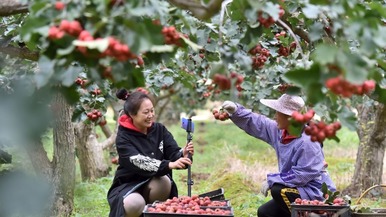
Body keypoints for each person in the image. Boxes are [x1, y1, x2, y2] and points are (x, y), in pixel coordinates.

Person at [221, 93, 336, 217]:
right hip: (299, 189)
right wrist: (237, 111)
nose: (275, 117)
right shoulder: (281, 132)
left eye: (278, 113)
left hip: (315, 193)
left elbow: (302, 174)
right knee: (265, 212)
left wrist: (272, 180)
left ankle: (314, 215)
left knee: (278, 190)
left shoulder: (308, 142)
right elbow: (260, 123)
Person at [107, 89, 194, 217]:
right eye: (146, 112)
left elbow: (173, 152)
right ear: (132, 114)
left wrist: (183, 154)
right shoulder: (123, 136)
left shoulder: (159, 129)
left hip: (153, 182)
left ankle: (153, 214)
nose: (151, 115)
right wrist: (169, 165)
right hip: (128, 185)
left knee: (164, 181)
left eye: (152, 110)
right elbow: (138, 161)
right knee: (134, 203)